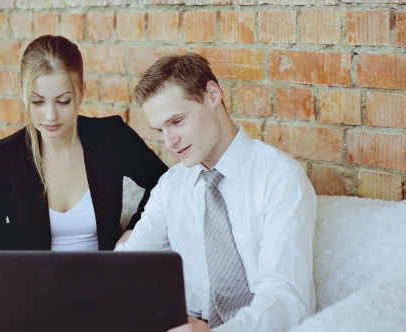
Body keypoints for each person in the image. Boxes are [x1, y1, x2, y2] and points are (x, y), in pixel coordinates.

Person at [0, 35, 168, 332]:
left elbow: (164, 182)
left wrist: (135, 227)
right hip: (12, 282)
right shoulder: (5, 155)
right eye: (38, 102)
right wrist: (21, 284)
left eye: (63, 101)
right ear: (23, 94)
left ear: (81, 91)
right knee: (18, 313)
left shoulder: (111, 137)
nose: (50, 116)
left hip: (87, 282)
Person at [115, 53, 317, 332]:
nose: (169, 142)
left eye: (177, 122)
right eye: (160, 130)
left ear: (212, 94)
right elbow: (127, 268)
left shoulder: (279, 178)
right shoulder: (171, 185)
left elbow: (284, 298)